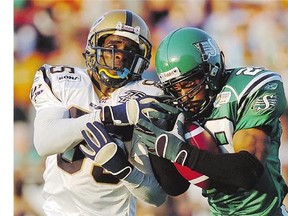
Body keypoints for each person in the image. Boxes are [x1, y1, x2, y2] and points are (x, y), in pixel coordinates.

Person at [29, 9, 178, 216]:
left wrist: (125, 171)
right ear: (94, 45)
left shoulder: (146, 96)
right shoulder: (62, 80)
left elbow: (156, 197)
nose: (120, 56)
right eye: (113, 46)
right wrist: (107, 116)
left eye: (130, 50)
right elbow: (44, 142)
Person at [135, 27, 288, 215]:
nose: (184, 96)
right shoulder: (177, 106)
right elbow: (175, 186)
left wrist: (183, 153)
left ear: (211, 69)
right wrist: (159, 147)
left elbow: (248, 171)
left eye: (189, 83)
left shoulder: (248, 89)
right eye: (175, 88)